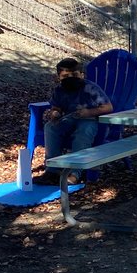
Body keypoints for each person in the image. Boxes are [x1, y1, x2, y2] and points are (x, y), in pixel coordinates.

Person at [34, 57, 113, 185]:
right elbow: (56, 106)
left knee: (83, 132)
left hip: (88, 119)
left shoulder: (91, 88)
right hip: (68, 119)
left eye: (74, 75)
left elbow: (108, 107)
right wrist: (55, 113)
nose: (70, 78)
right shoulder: (59, 90)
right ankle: (52, 171)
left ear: (82, 75)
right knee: (50, 127)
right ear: (59, 77)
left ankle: (75, 173)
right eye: (65, 76)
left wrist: (88, 112)